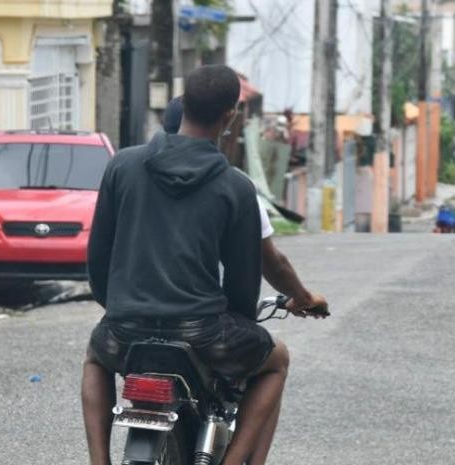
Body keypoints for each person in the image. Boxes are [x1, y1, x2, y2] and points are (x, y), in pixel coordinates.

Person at [82, 65, 323, 465]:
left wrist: (117, 308)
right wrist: (241, 321)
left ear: (183, 104)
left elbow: (98, 255)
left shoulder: (122, 166)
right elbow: (246, 280)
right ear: (230, 116)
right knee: (277, 360)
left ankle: (98, 462)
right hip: (204, 333)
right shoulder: (236, 187)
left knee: (95, 356)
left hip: (125, 328)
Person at [164, 95, 327, 312]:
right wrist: (303, 298)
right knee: (277, 348)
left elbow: (103, 253)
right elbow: (272, 264)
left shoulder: (130, 174)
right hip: (201, 323)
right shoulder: (236, 186)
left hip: (127, 323)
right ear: (220, 126)